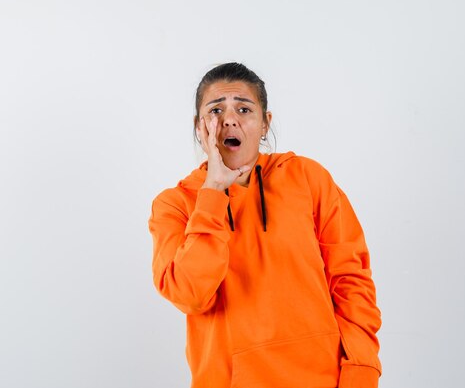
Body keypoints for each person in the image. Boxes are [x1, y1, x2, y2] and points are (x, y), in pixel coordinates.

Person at [148, 63, 382, 388]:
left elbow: (351, 281)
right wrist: (213, 191)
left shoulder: (307, 178)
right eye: (216, 110)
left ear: (264, 123)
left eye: (244, 108)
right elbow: (190, 295)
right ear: (199, 127)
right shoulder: (174, 204)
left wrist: (361, 372)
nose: (230, 119)